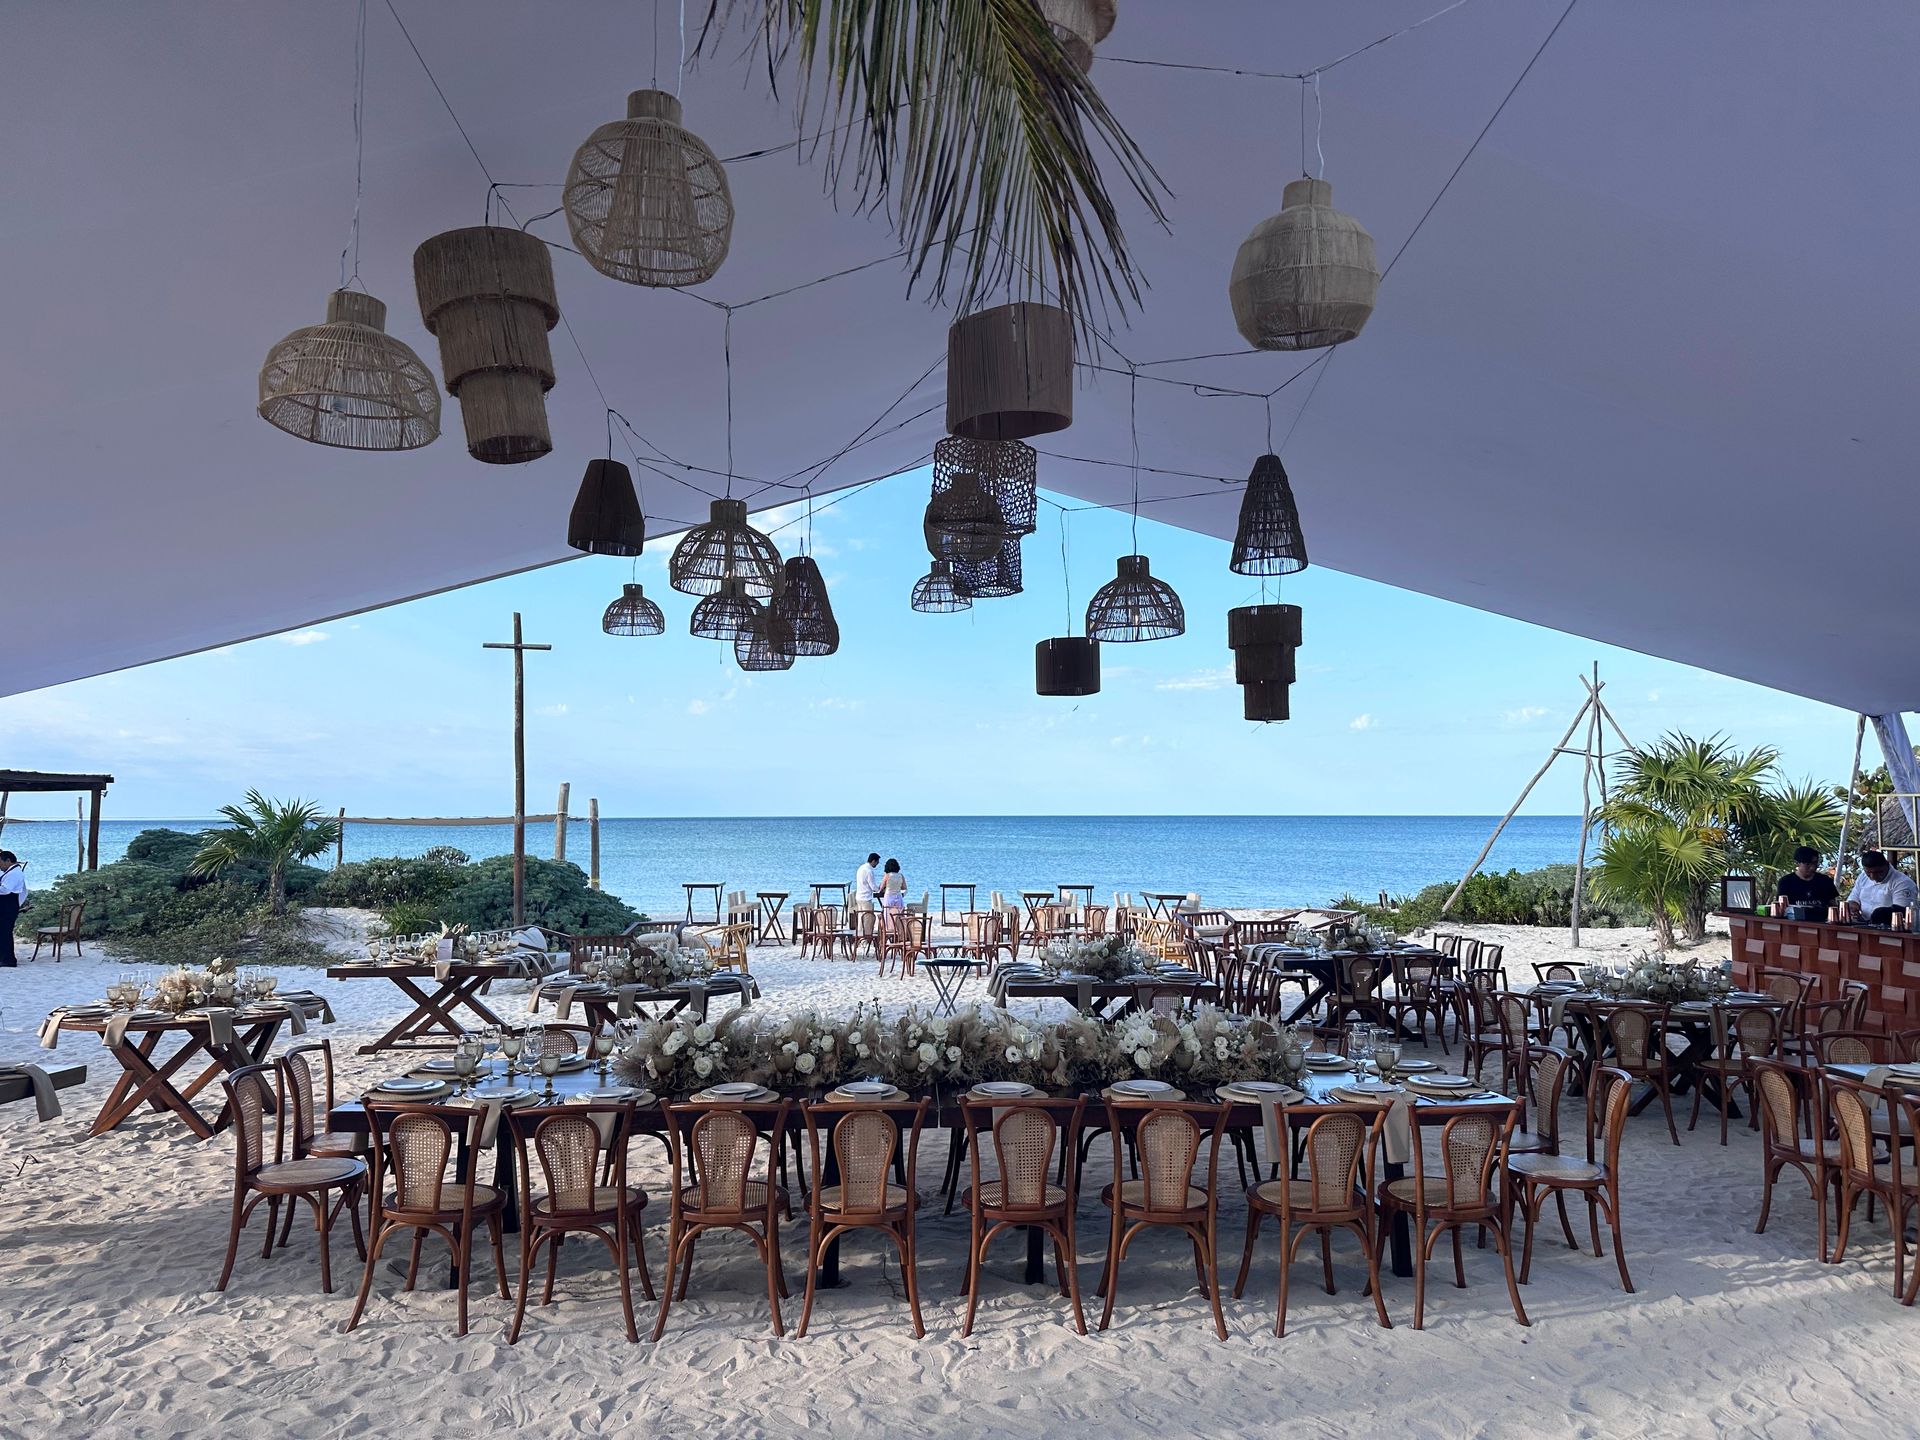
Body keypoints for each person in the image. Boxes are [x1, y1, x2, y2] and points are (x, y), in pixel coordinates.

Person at [1843, 849, 1919, 926]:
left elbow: (1901, 912)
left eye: (1877, 872)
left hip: (1889, 927)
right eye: (1868, 873)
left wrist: (1878, 915)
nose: (1873, 877)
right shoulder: (1863, 876)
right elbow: (1853, 898)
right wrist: (1853, 909)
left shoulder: (1903, 883)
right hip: (1862, 924)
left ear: (1886, 865)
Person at [1774, 846, 1839, 914]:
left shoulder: (1825, 881)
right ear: (1797, 863)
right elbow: (1781, 908)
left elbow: (1833, 906)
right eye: (1807, 864)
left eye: (1815, 863)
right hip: (1794, 919)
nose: (1812, 867)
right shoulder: (1785, 882)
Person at [0, 852, 26, 968]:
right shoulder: (11, 872)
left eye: (0, 863)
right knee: (3, 932)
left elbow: (5, 890)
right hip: (6, 905)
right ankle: (4, 957)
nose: (0, 866)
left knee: (5, 932)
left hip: (8, 905)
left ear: (8, 861)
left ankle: (9, 959)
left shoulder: (14, 873)